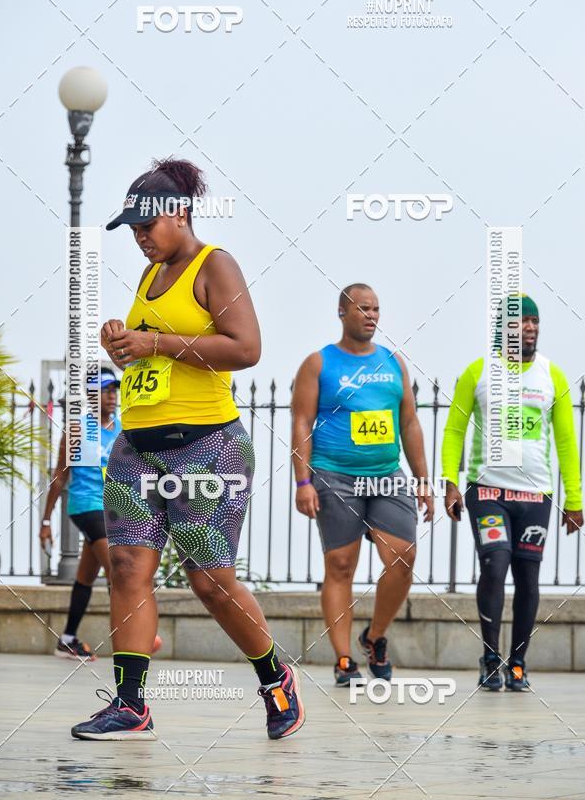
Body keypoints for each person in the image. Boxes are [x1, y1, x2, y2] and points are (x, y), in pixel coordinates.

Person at [71, 158, 304, 742]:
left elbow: (245, 348)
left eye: (146, 225)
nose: (140, 237)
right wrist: (124, 345)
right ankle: (130, 704)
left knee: (209, 582)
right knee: (126, 568)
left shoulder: (214, 265)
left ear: (179, 213)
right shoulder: (148, 277)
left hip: (206, 447)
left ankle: (276, 679)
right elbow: (159, 351)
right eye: (132, 229)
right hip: (136, 447)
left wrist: (152, 341)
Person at [291, 283, 433, 685]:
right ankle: (343, 660)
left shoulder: (393, 362)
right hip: (334, 475)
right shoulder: (319, 363)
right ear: (342, 312)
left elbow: (409, 423)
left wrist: (423, 481)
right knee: (340, 565)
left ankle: (374, 637)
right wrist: (303, 481)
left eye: (375, 309)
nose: (371, 315)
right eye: (362, 308)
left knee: (402, 558)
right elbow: (301, 421)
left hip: (386, 475)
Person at [441, 294, 584, 691]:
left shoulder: (551, 375)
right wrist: (450, 482)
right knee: (494, 564)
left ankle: (517, 662)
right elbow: (454, 430)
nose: (530, 327)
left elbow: (566, 441)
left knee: (528, 577)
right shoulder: (478, 372)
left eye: (534, 321)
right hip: (487, 490)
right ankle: (491, 658)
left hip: (536, 495)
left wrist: (574, 500)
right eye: (521, 321)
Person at [40, 368, 122, 660]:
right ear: (90, 394)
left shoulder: (124, 428)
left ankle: (67, 640)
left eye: (114, 390)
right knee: (118, 569)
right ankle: (130, 636)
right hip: (86, 505)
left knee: (86, 576)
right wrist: (46, 521)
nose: (111, 396)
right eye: (105, 389)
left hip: (112, 508)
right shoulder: (76, 430)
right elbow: (59, 476)